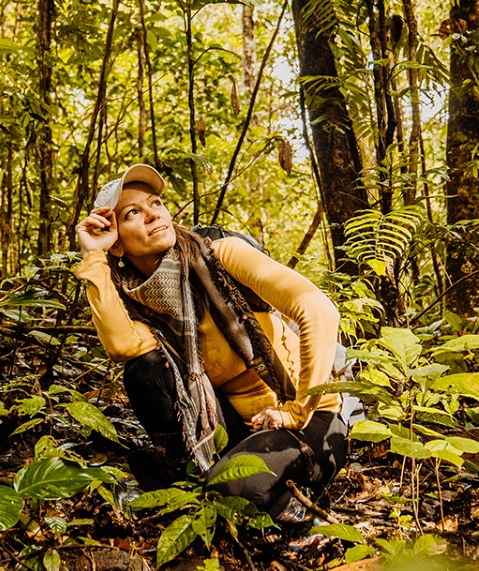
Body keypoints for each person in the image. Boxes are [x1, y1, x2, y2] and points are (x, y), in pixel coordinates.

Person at [73, 163, 349, 530]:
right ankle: (196, 474)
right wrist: (93, 256)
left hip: (308, 417)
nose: (153, 214)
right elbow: (123, 347)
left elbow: (318, 310)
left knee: (232, 490)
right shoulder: (138, 299)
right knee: (144, 370)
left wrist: (297, 411)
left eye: (156, 203)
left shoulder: (220, 256)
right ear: (117, 241)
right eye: (132, 213)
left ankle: (283, 504)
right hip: (241, 423)